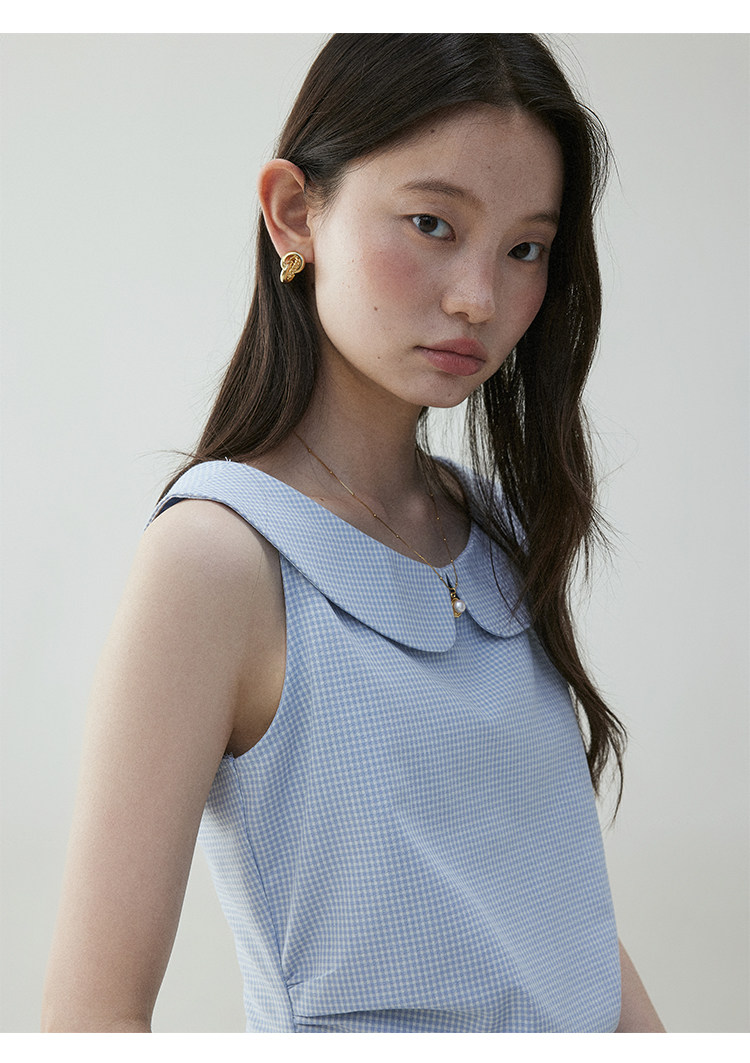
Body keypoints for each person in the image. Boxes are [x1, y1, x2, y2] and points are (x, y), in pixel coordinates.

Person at [42, 33, 666, 1033]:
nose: (478, 297)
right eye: (432, 223)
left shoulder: (499, 532)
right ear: (295, 212)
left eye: (526, 249)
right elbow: (89, 1017)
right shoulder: (217, 561)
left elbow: (560, 929)